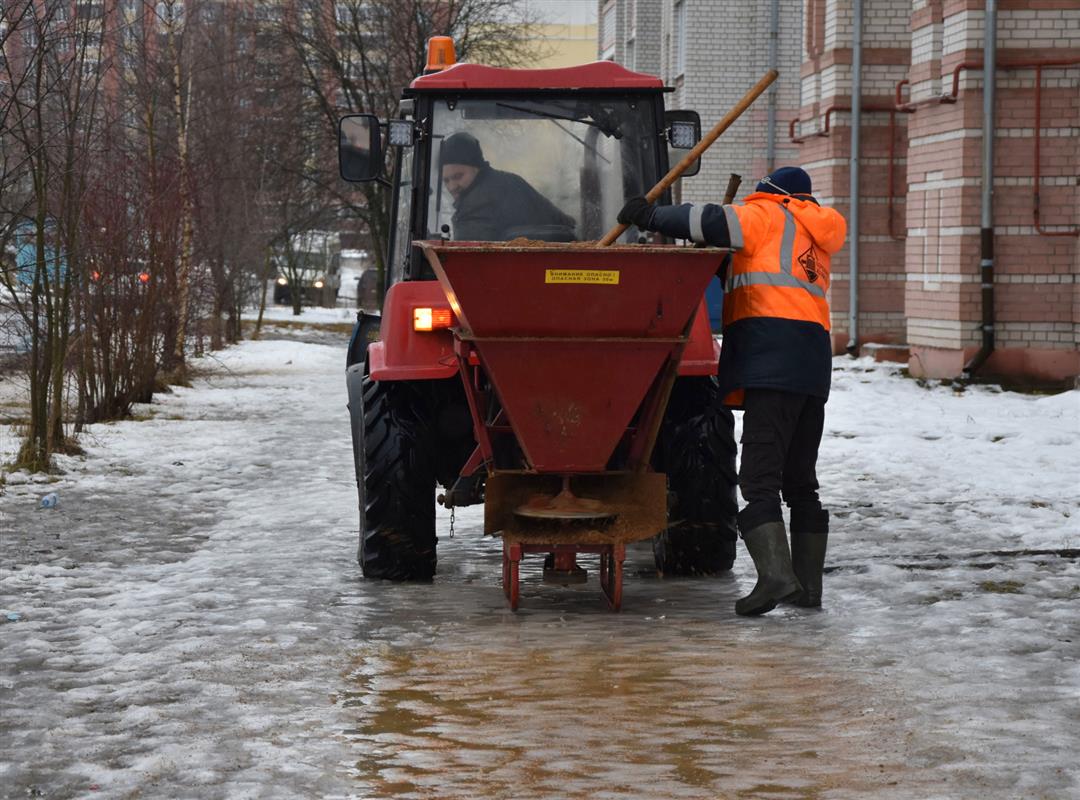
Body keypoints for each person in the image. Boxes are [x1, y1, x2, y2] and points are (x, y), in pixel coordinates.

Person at [618, 167, 847, 616]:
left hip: (770, 362)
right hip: (811, 365)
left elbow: (704, 219)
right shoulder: (816, 231)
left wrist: (648, 216)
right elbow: (765, 275)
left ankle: (776, 578)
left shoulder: (767, 213)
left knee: (758, 477)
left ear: (771, 192)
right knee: (801, 481)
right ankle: (807, 588)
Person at [439, 132, 576, 241]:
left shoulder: (474, 205)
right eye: (446, 180)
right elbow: (567, 224)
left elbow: (467, 261)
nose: (452, 187)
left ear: (477, 168)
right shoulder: (511, 181)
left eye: (458, 176)